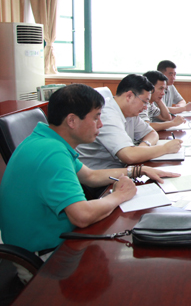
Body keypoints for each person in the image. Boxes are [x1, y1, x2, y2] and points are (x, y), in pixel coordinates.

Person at [0, 84, 179, 256]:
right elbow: (82, 216)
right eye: (95, 118)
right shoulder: (52, 153)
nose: (100, 124)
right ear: (71, 120)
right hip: (46, 254)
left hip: (56, 240)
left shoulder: (48, 140)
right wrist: (119, 196)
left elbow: (90, 176)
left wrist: (139, 170)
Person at [77, 74, 183, 172]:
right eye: (145, 102)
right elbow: (129, 156)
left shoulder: (130, 112)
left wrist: (144, 146)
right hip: (101, 177)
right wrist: (165, 148)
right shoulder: (107, 114)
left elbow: (152, 133)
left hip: (120, 171)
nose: (146, 107)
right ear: (129, 96)